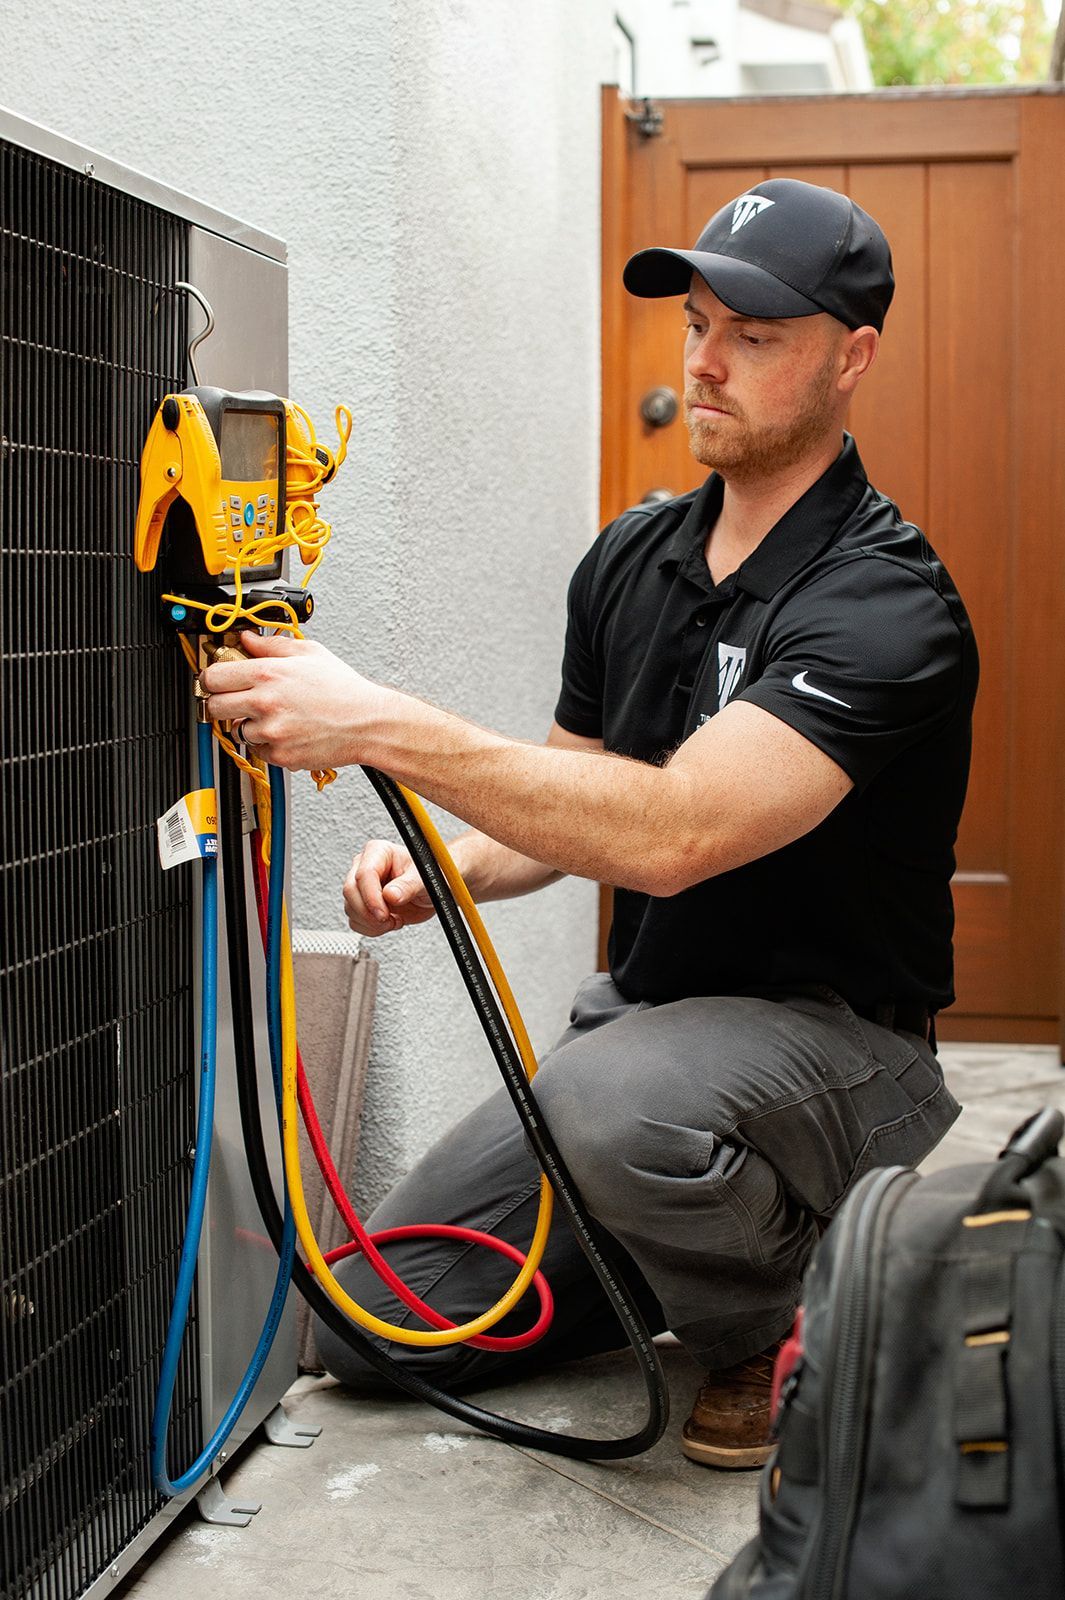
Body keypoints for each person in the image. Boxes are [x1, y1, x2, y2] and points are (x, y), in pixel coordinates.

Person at [201, 179, 976, 1469]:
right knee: (369, 1335)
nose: (709, 362)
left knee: (607, 1107)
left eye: (759, 336)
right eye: (698, 323)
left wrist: (376, 721)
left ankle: (763, 1316)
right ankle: (665, 1258)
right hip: (648, 1042)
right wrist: (445, 870)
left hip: (840, 1056)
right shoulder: (632, 559)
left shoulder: (884, 602)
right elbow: (573, 800)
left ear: (854, 359)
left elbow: (673, 830)